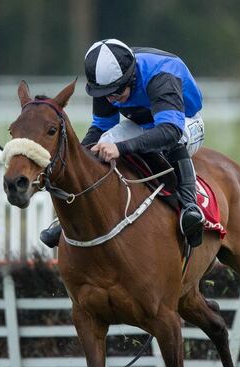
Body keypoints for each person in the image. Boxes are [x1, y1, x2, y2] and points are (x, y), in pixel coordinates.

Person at [40, 39, 206, 248]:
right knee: (103, 142)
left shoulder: (161, 76)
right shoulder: (105, 85)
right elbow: (101, 127)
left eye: (117, 92)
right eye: (105, 94)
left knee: (170, 141)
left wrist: (121, 148)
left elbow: (170, 131)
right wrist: (77, 158)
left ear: (131, 77)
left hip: (185, 121)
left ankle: (190, 207)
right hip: (145, 123)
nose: (111, 99)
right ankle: (71, 219)